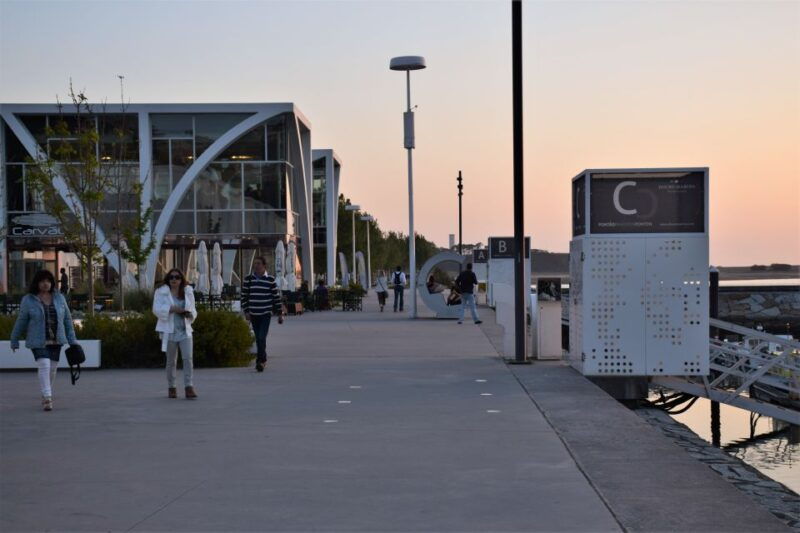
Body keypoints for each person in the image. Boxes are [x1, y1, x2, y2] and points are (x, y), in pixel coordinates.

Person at [10, 269, 80, 411]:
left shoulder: (59, 298)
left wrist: (73, 340)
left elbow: (67, 320)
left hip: (56, 339)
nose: (45, 284)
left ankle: (45, 392)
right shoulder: (28, 300)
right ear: (37, 282)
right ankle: (47, 397)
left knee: (52, 369)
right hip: (38, 340)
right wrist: (14, 339)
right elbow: (21, 320)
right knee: (44, 365)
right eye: (42, 281)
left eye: (48, 281)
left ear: (52, 283)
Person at [153, 268, 198, 399]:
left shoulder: (188, 291)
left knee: (188, 359)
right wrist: (171, 309)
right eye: (171, 277)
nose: (174, 280)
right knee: (171, 361)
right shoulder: (161, 292)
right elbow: (155, 309)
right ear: (168, 279)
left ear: (181, 279)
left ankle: (189, 386)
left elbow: (194, 310)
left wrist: (190, 315)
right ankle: (172, 387)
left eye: (177, 277)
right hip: (169, 330)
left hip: (185, 330)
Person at [241, 256, 283, 372]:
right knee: (258, 338)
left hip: (265, 313)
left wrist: (280, 314)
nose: (256, 266)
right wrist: (246, 311)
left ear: (264, 266)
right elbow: (244, 296)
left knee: (261, 337)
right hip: (253, 314)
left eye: (259, 263)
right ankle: (262, 360)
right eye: (255, 264)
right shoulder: (248, 279)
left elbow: (276, 297)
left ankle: (260, 361)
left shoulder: (270, 280)